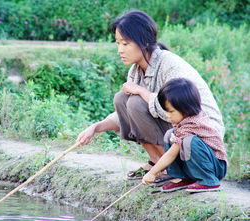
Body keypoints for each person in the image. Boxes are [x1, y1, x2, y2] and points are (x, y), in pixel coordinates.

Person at [76, 9, 225, 180]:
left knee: (135, 102)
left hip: (201, 140)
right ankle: (157, 162)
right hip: (177, 133)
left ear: (144, 42)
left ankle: (172, 166)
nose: (120, 50)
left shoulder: (170, 65)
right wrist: (95, 128)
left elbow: (176, 113)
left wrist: (142, 92)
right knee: (122, 98)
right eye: (118, 43)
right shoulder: (136, 70)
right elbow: (126, 114)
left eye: (125, 44)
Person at [142, 78, 227, 192]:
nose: (167, 116)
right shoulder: (184, 119)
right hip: (203, 163)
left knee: (189, 141)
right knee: (169, 134)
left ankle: (209, 181)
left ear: (185, 109)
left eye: (171, 111)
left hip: (215, 166)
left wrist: (153, 172)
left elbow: (172, 154)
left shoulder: (193, 123)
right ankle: (181, 177)